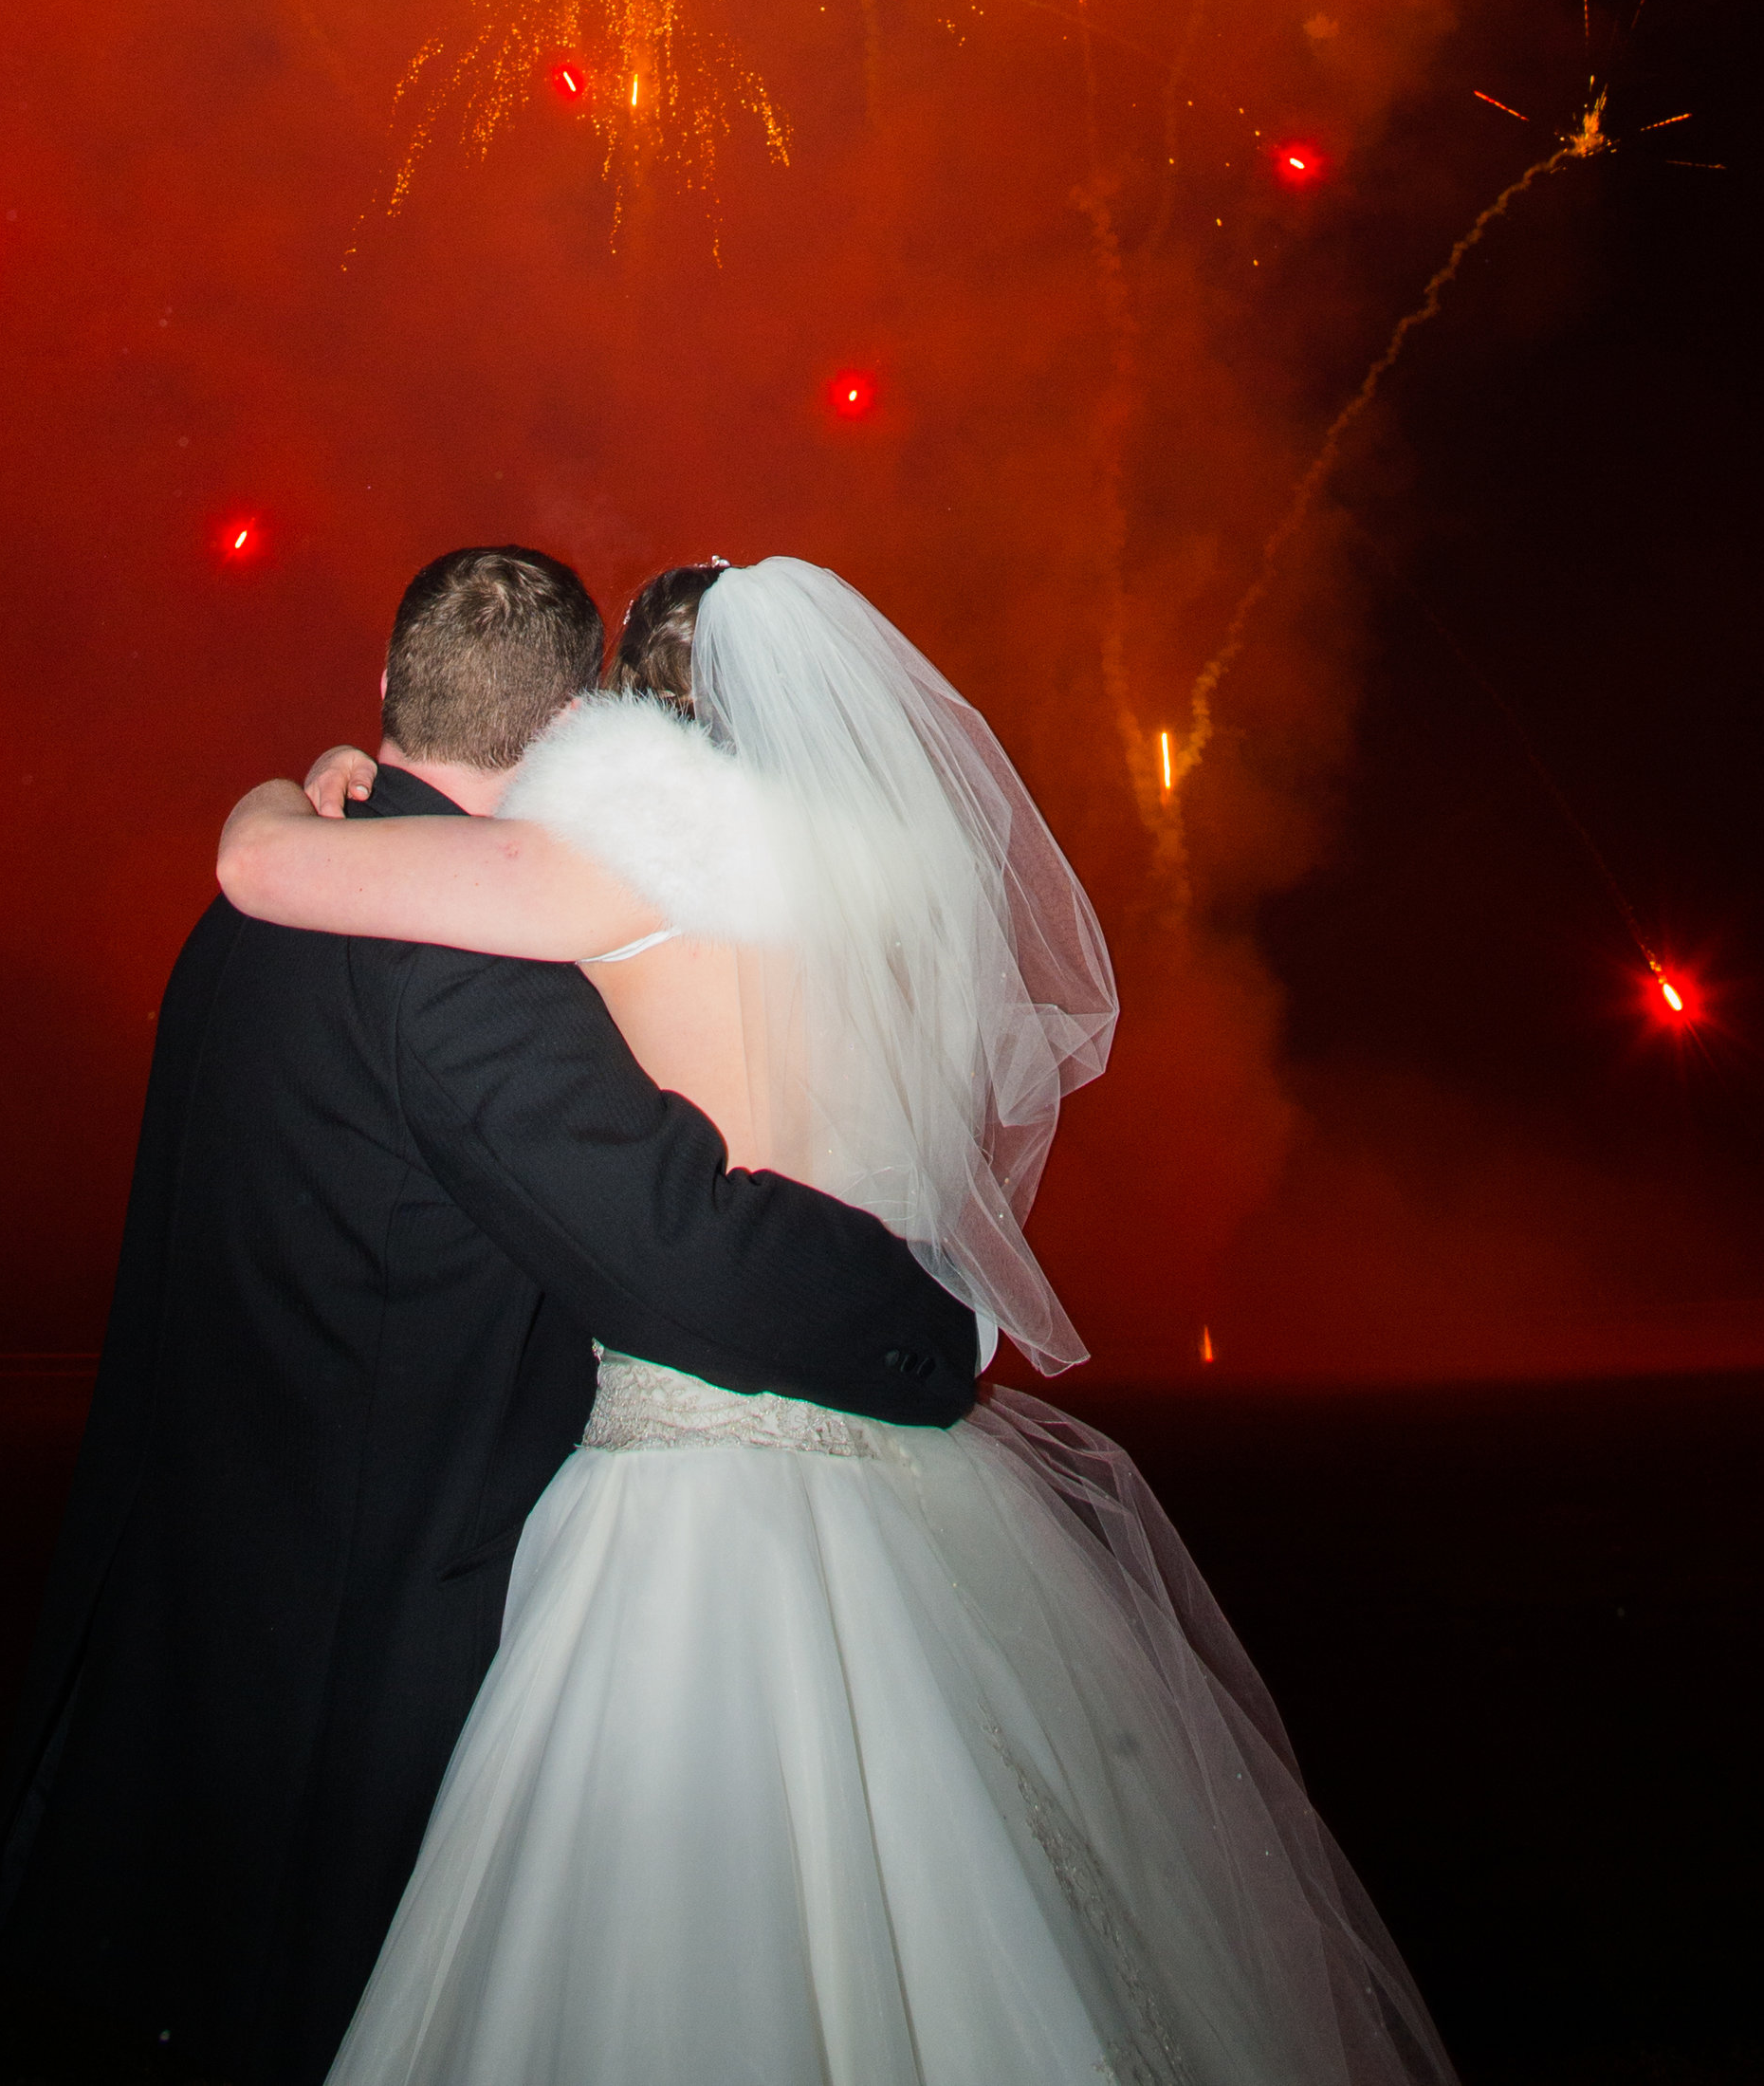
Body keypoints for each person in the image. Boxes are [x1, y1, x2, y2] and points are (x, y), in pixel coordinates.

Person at [216, 555, 1459, 2086]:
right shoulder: (880, 881)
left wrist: (296, 785)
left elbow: (271, 876)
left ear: (634, 719)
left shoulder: (626, 864)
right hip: (897, 1451)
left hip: (697, 1461)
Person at [0, 544, 979, 2086]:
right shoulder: (455, 958)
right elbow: (675, 1242)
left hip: (201, 1606)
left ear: (387, 690)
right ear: (575, 723)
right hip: (355, 1654)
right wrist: (932, 1334)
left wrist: (262, 798)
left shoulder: (260, 906)